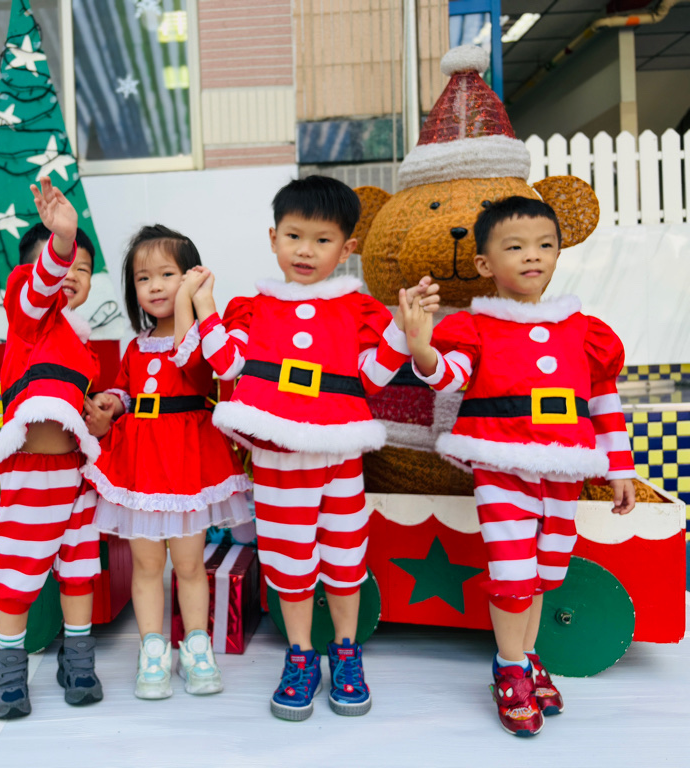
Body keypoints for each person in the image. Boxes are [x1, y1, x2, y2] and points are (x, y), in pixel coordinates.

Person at [188, 175, 440, 720]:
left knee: (345, 557)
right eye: (294, 236)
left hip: (340, 454)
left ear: (347, 249)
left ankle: (346, 653)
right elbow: (227, 363)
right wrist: (206, 306)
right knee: (288, 561)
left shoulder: (359, 309)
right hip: (277, 455)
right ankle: (300, 656)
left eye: (322, 240)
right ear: (273, 237)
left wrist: (404, 328)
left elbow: (373, 377)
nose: (305, 250)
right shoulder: (252, 307)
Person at [399, 195, 636, 737]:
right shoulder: (476, 327)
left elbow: (603, 402)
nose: (533, 256)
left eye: (544, 245)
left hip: (565, 469)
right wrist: (423, 347)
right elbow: (449, 377)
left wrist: (619, 468)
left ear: (558, 254)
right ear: (485, 264)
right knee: (512, 574)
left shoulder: (584, 330)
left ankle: (527, 657)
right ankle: (508, 669)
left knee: (547, 571)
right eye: (515, 247)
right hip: (501, 464)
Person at [82, 225, 253, 700]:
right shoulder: (135, 346)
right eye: (143, 278)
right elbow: (126, 389)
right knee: (146, 563)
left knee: (189, 562)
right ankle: (152, 650)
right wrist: (113, 403)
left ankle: (196, 647)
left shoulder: (200, 338)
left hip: (186, 461)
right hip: (141, 463)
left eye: (167, 274)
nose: (154, 286)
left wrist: (192, 303)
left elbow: (190, 362)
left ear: (190, 277)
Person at [0, 178, 104, 720]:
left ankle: (78, 659)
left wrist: (105, 410)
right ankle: (9, 669)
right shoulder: (29, 319)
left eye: (83, 268)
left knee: (79, 569)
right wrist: (61, 240)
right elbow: (39, 287)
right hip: (32, 475)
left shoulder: (82, 345)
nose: (71, 273)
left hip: (77, 474)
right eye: (62, 264)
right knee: (17, 574)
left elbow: (84, 404)